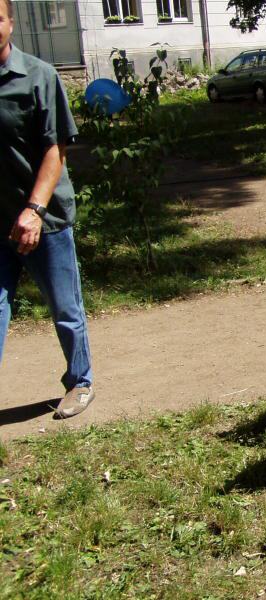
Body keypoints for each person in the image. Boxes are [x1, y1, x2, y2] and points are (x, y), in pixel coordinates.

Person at [0, 0, 95, 418]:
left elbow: (56, 151)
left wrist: (34, 211)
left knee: (64, 308)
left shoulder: (38, 76)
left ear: (10, 23)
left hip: (45, 218)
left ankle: (80, 382)